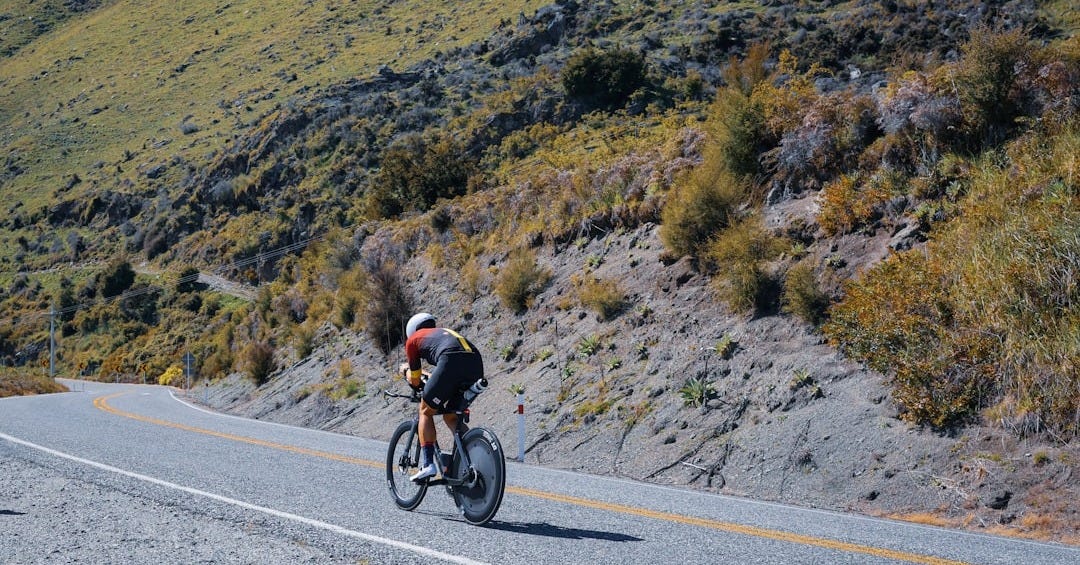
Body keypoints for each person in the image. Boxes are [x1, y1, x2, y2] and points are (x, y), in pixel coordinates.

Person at [399, 312, 484, 482]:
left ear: (412, 331)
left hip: (450, 361)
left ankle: (428, 464)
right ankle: (473, 460)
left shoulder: (413, 340)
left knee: (425, 410)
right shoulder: (442, 333)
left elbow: (416, 381)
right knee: (451, 416)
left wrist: (406, 370)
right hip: (475, 363)